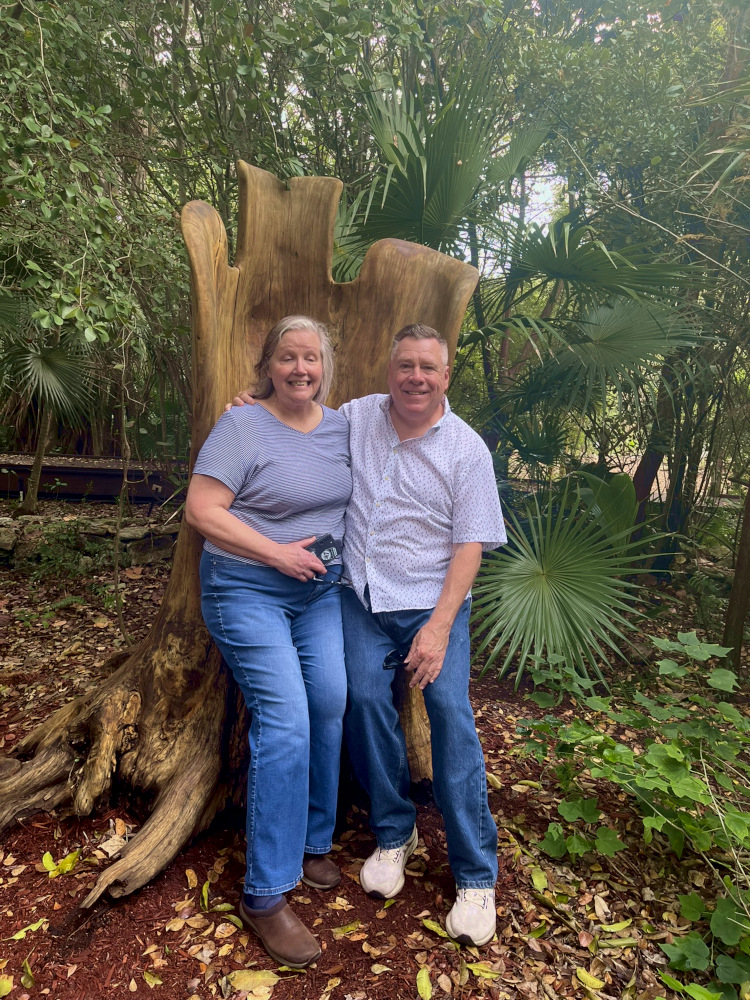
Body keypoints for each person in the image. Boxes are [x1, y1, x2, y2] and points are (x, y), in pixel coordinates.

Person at [233, 323, 506, 947]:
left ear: (446, 376)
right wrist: (249, 410)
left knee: (449, 712)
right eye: (406, 365)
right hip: (362, 599)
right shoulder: (355, 418)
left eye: (428, 368)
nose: (416, 377)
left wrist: (438, 629)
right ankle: (393, 831)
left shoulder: (466, 450)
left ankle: (475, 873)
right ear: (389, 370)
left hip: (432, 604)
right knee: (361, 700)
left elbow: (471, 547)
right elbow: (294, 415)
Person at [185, 316, 352, 969]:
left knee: (330, 701)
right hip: (246, 588)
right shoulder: (243, 425)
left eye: (311, 358)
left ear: (325, 367)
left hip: (319, 592)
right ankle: (265, 891)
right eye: (288, 357)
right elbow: (202, 510)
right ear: (269, 365)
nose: (300, 369)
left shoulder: (342, 426)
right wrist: (277, 554)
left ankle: (313, 840)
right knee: (285, 719)